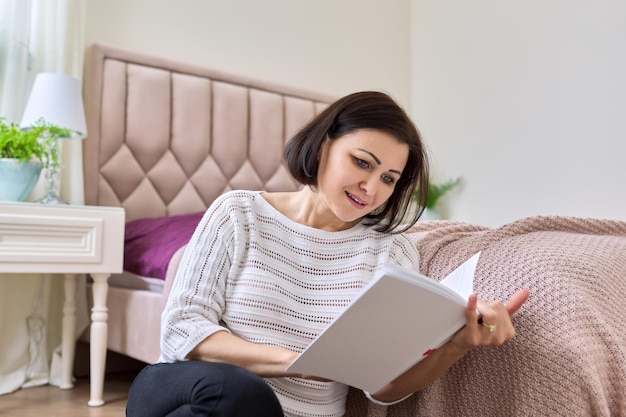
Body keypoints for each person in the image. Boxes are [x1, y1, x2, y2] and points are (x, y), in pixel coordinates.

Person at [126, 91, 530, 417]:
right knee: (238, 391)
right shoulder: (239, 213)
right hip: (186, 388)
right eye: (361, 162)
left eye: (388, 179)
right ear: (322, 147)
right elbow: (182, 329)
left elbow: (383, 386)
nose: (370, 188)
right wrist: (302, 361)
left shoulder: (391, 253)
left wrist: (456, 345)